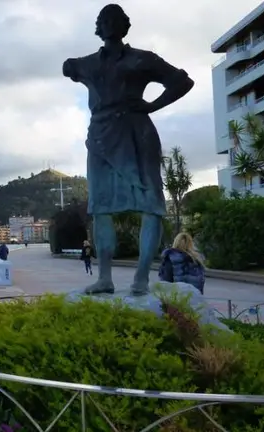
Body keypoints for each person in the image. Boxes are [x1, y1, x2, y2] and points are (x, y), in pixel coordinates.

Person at [62, 4, 194, 296]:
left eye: (116, 19)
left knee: (152, 206)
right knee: (100, 208)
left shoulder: (143, 59)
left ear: (125, 25)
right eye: (105, 20)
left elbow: (183, 81)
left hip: (137, 134)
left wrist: (152, 106)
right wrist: (70, 65)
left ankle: (141, 279)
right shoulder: (87, 63)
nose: (110, 24)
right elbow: (67, 67)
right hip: (101, 138)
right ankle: (104, 278)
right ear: (98, 27)